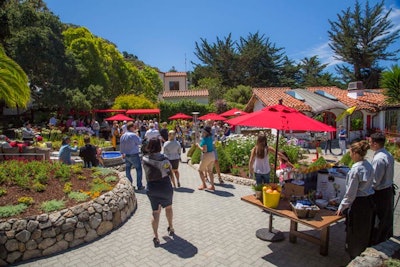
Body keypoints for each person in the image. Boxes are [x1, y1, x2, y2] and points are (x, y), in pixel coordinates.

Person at [336, 140, 375, 259]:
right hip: (369, 201)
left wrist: (341, 207)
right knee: (364, 231)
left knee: (354, 233)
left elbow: (350, 194)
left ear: (356, 153)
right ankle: (361, 254)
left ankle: (354, 258)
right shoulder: (368, 165)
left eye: (350, 152)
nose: (350, 155)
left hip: (358, 203)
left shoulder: (356, 169)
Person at [142, 138, 175, 247]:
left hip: (152, 188)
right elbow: (169, 171)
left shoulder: (144, 159)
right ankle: (170, 227)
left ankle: (156, 236)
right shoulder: (164, 159)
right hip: (165, 186)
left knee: (155, 212)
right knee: (169, 207)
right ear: (159, 146)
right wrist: (174, 183)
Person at [370, 132, 395, 245]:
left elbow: (375, 181)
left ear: (375, 144)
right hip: (387, 189)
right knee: (386, 218)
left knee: (380, 219)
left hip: (381, 193)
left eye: (370, 142)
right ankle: (385, 238)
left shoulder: (379, 159)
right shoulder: (387, 154)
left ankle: (379, 241)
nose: (369, 144)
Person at [119, 122, 144, 190]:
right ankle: (139, 185)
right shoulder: (133, 135)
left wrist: (122, 153)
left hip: (126, 154)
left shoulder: (123, 136)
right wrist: (137, 135)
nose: (135, 128)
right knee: (138, 169)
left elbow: (121, 146)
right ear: (131, 127)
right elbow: (140, 142)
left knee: (127, 170)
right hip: (134, 154)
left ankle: (130, 185)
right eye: (134, 127)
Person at [196, 126, 215, 191]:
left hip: (207, 155)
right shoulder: (210, 138)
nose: (202, 132)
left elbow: (204, 150)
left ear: (205, 132)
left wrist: (198, 146)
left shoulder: (204, 139)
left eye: (203, 131)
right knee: (210, 171)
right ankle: (212, 186)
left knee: (200, 170)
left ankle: (204, 184)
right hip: (212, 155)